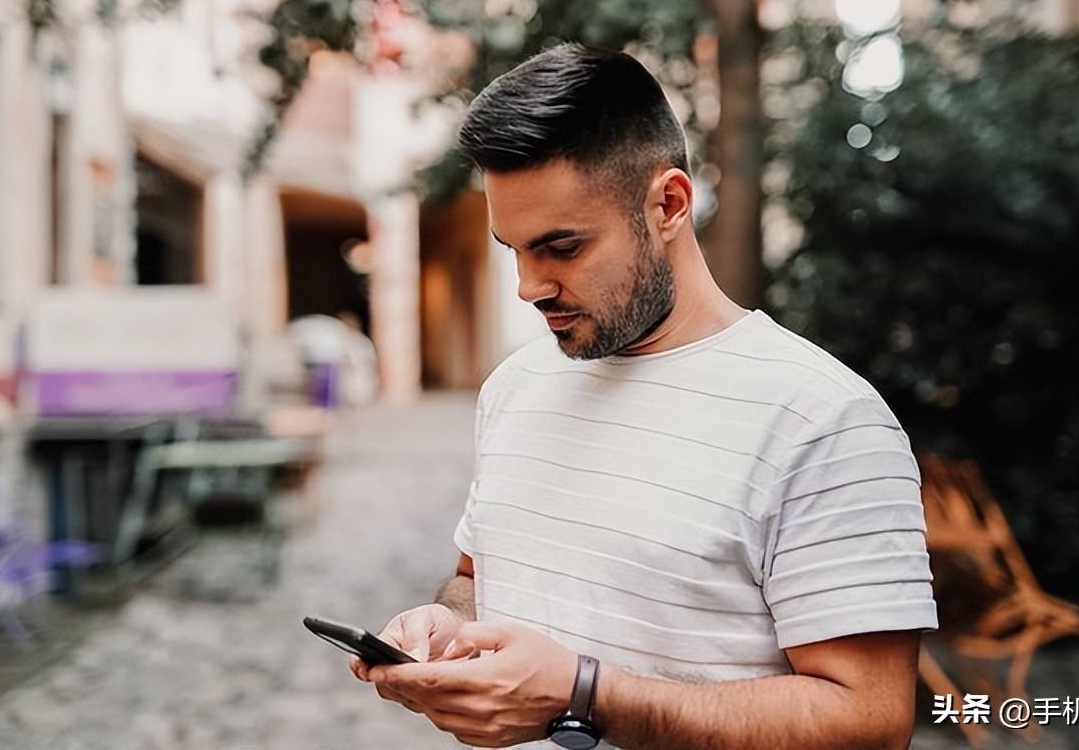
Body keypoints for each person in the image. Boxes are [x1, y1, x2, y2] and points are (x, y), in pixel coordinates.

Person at [349, 44, 937, 750]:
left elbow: (870, 721)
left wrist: (584, 696)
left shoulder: (824, 420)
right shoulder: (515, 386)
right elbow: (480, 575)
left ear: (669, 205)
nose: (529, 286)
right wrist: (447, 625)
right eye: (514, 249)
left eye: (562, 248)